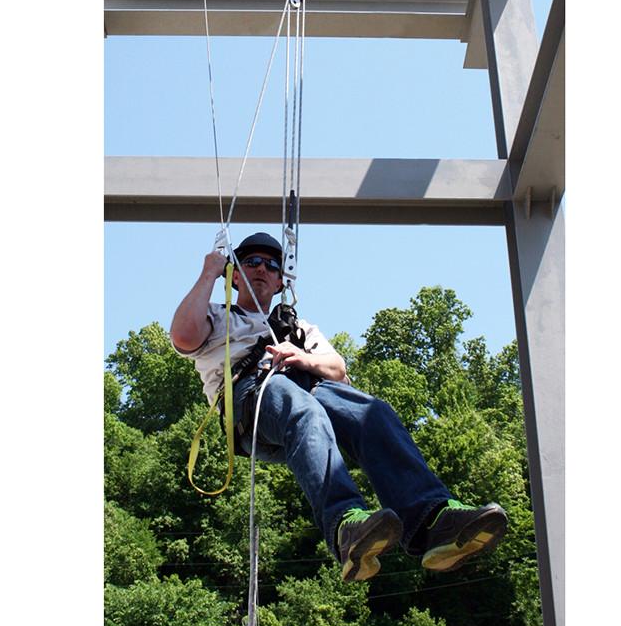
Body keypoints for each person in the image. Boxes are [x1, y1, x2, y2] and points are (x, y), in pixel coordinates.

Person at [171, 232, 508, 582]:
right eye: (251, 262)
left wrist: (300, 357)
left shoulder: (295, 327)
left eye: (271, 266)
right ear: (236, 274)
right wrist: (210, 272)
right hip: (252, 402)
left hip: (307, 391)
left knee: (372, 413)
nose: (262, 269)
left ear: (280, 282)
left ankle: (432, 521)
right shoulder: (217, 316)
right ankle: (345, 525)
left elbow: (338, 370)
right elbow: (183, 336)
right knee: (302, 407)